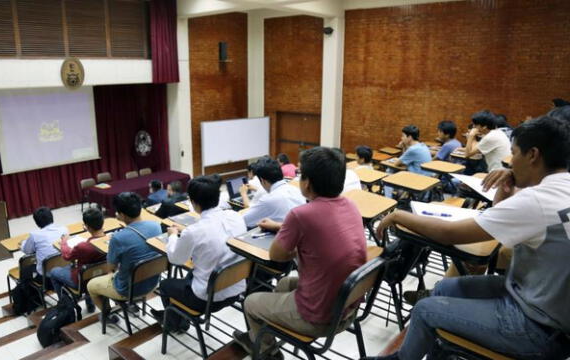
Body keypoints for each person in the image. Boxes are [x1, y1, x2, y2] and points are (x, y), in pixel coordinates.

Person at [368, 116, 570, 360]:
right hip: (540, 301)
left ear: (533, 155)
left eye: (514, 153)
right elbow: (497, 220)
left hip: (537, 327)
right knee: (443, 287)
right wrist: (506, 186)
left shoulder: (538, 200)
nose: (510, 162)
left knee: (424, 310)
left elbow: (449, 234)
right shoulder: (561, 188)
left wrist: (400, 215)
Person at [233, 147, 368, 360]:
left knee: (250, 302)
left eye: (301, 174)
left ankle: (270, 352)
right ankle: (272, 331)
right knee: (284, 283)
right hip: (347, 306)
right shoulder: (350, 205)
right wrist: (282, 227)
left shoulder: (301, 215)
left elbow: (277, 255)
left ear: (308, 182)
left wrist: (288, 233)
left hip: (319, 317)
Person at [151, 175, 247, 332]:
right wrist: (188, 233)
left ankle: (176, 324)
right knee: (189, 276)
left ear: (193, 202)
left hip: (207, 298)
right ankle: (175, 316)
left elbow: (175, 259)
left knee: (166, 285)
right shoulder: (235, 216)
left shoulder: (194, 232)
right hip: (237, 287)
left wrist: (173, 235)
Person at [87, 192, 162, 325]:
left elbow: (111, 267)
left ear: (121, 215)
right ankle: (131, 305)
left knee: (91, 285)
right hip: (152, 282)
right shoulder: (156, 225)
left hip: (127, 289)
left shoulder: (118, 238)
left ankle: (108, 315)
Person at [48, 207, 106, 312]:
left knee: (53, 272)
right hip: (101, 275)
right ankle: (90, 305)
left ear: (87, 227)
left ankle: (65, 306)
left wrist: (64, 242)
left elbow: (66, 256)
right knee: (86, 268)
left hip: (81, 281)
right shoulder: (108, 240)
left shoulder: (83, 247)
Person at [240, 156, 306, 228]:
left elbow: (244, 220)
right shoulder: (296, 189)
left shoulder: (268, 199)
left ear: (262, 180)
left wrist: (243, 194)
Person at [21, 207, 68, 282]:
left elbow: (27, 251)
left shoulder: (34, 235)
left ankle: (28, 291)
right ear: (52, 217)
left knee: (25, 267)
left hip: (47, 279)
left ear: (37, 223)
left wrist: (22, 243)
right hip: (65, 273)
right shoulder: (64, 229)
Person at [384, 125, 432, 198]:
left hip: (418, 180)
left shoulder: (413, 149)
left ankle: (388, 199)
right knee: (395, 171)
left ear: (409, 137)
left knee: (388, 174)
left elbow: (397, 163)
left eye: (403, 136)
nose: (401, 138)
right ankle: (400, 194)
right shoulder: (422, 145)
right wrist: (404, 146)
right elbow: (404, 159)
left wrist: (403, 147)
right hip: (427, 178)